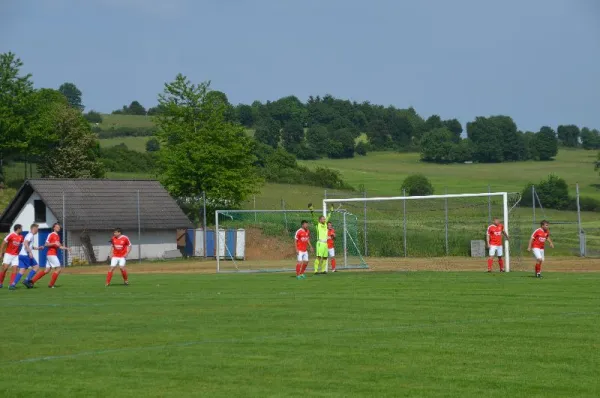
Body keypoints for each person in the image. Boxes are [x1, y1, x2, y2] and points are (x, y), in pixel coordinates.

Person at [28, 222, 70, 288]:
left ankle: (32, 281)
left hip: (51, 255)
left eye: (59, 227)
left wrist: (67, 248)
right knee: (58, 269)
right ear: (54, 228)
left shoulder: (57, 236)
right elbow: (46, 244)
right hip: (51, 254)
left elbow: (59, 246)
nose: (58, 228)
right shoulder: (51, 234)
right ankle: (51, 284)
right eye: (57, 227)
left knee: (47, 270)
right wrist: (54, 243)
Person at [9, 224, 42, 290]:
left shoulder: (28, 235)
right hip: (26, 255)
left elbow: (28, 245)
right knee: (36, 267)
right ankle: (27, 280)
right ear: (34, 228)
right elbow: (25, 243)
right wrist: (29, 252)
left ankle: (12, 285)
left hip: (21, 255)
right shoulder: (30, 235)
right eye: (37, 229)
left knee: (22, 270)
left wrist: (38, 248)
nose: (38, 230)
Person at [309, 203, 332, 274]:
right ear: (319, 220)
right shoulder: (317, 224)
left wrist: (331, 211)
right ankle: (316, 270)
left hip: (325, 243)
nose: (324, 220)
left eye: (324, 219)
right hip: (320, 243)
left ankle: (323, 270)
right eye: (322, 219)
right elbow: (313, 217)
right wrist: (311, 211)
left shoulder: (325, 224)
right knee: (319, 257)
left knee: (325, 257)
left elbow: (328, 217)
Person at [0, 224, 24, 288]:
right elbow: (3, 243)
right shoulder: (11, 235)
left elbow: (23, 244)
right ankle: (0, 282)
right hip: (8, 254)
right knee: (5, 268)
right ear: (18, 229)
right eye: (21, 228)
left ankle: (11, 285)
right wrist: (1, 252)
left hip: (15, 255)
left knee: (15, 269)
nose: (22, 229)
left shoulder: (21, 237)